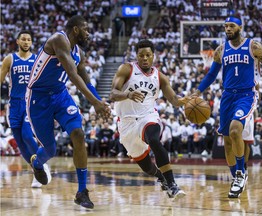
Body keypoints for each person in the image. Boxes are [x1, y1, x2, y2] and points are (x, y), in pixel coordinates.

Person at [192, 15, 262, 198]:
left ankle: (240, 173)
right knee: (227, 142)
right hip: (227, 96)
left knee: (236, 130)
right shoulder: (221, 50)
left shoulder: (254, 46)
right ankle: (236, 178)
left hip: (247, 94)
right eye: (226, 26)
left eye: (231, 26)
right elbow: (212, 75)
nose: (227, 29)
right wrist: (197, 92)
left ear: (240, 27)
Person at [25, 15, 110, 209]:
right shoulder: (58, 40)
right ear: (76, 30)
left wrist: (100, 101)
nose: (88, 33)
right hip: (38, 98)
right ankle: (37, 162)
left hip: (60, 95)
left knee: (78, 134)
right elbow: (72, 74)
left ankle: (81, 191)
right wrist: (94, 103)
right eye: (86, 28)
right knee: (50, 149)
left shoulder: (79, 51)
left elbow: (85, 77)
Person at [110, 39, 189, 200]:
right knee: (146, 166)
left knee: (154, 139)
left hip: (148, 117)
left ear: (153, 56)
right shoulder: (126, 69)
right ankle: (161, 177)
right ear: (136, 56)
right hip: (126, 123)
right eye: (141, 55)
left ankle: (172, 185)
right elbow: (113, 94)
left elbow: (173, 99)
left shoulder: (160, 77)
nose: (144, 58)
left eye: (147, 55)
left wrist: (183, 101)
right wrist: (127, 94)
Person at [0, 30, 51, 188]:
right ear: (17, 41)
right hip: (14, 104)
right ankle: (37, 172)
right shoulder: (10, 59)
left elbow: (45, 82)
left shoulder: (37, 60)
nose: (26, 42)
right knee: (21, 144)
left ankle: (42, 165)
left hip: (31, 102)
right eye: (23, 39)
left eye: (29, 39)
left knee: (27, 135)